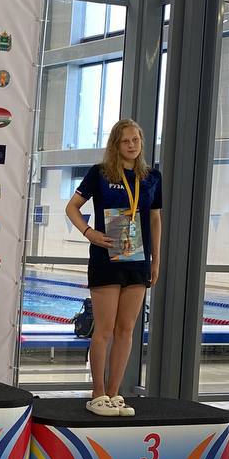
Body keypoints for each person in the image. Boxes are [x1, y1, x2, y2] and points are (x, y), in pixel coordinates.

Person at [65, 118, 162, 416]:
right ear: (116, 145)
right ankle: (97, 394)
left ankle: (114, 393)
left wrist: (156, 259)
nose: (132, 145)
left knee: (127, 328)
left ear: (142, 142)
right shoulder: (101, 173)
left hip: (138, 258)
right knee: (104, 329)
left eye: (136, 140)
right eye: (125, 141)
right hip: (106, 256)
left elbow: (155, 219)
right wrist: (89, 232)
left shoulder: (152, 177)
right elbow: (72, 207)